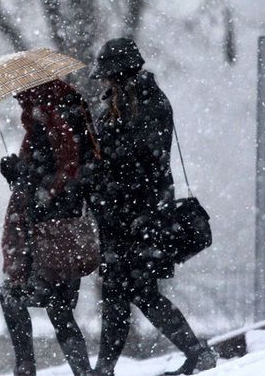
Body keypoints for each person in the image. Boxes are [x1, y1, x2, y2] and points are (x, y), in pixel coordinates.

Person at [88, 38, 217, 376]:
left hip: (138, 216)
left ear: (120, 73)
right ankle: (106, 368)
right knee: (124, 293)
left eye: (108, 76)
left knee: (134, 291)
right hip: (119, 216)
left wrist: (105, 164)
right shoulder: (118, 106)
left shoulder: (149, 104)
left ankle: (194, 353)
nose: (103, 82)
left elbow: (147, 162)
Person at [0, 77, 99, 376]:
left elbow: (60, 175)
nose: (18, 99)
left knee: (15, 297)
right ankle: (79, 372)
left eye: (21, 94)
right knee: (58, 307)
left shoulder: (52, 120)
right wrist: (17, 174)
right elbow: (55, 172)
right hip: (61, 230)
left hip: (50, 232)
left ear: (34, 90)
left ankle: (25, 367)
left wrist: (27, 180)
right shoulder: (58, 115)